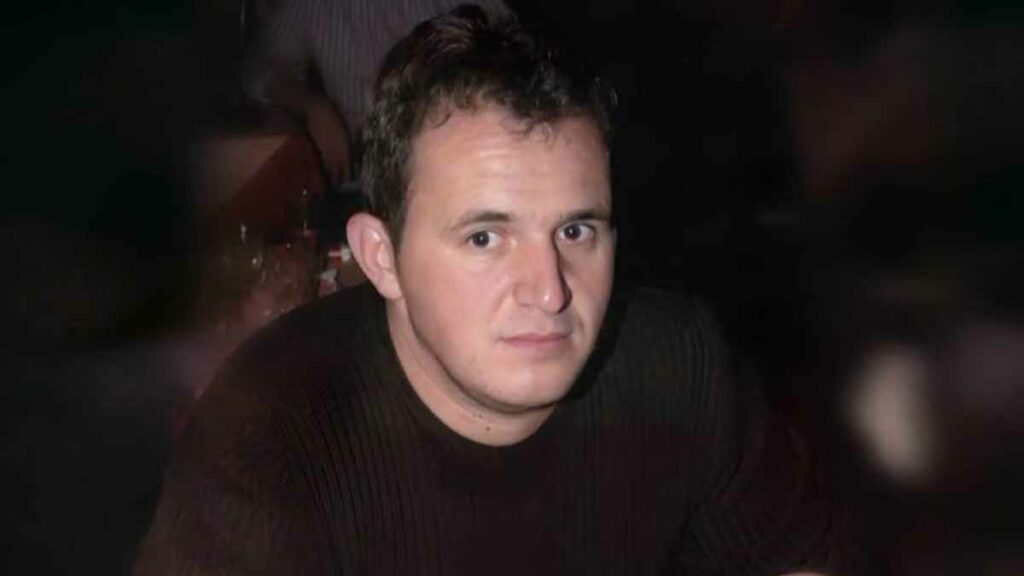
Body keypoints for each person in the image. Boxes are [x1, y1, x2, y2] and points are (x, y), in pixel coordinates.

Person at [137, 6, 857, 574]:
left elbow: (797, 559)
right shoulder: (272, 434)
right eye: (485, 237)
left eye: (576, 230)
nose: (549, 291)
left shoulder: (679, 364)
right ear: (381, 258)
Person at [243, 0, 509, 184]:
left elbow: (517, 60)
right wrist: (314, 108)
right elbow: (259, 69)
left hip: (455, 169)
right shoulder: (316, 6)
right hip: (356, 179)